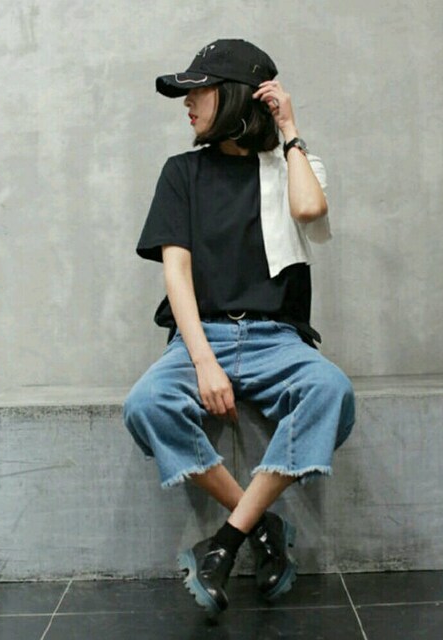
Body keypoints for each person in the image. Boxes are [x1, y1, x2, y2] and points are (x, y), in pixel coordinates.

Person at [123, 39, 356, 617]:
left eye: (197, 91)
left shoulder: (290, 167)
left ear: (232, 96)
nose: (186, 104)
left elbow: (310, 211)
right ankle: (261, 526)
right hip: (202, 335)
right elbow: (176, 274)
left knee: (331, 390)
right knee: (146, 405)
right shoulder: (182, 173)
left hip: (277, 339)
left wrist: (291, 130)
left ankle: (226, 540)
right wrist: (204, 361)